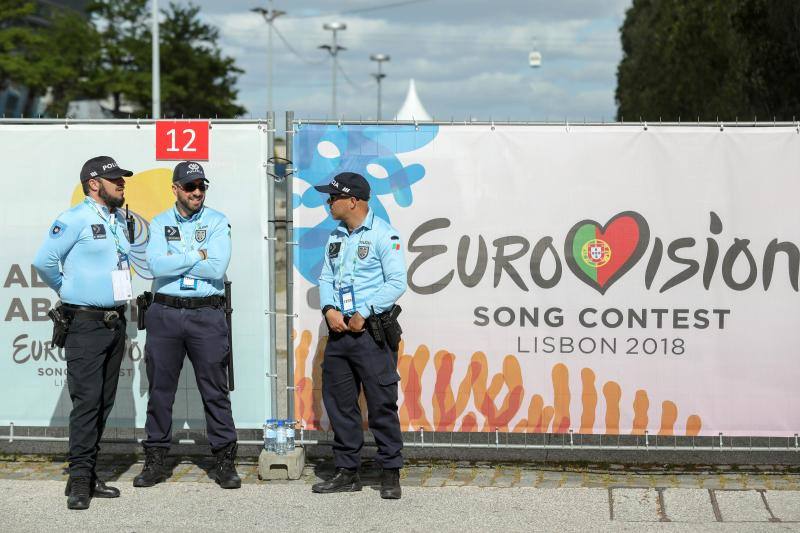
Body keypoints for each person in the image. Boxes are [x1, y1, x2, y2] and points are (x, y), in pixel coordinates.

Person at [32, 156, 134, 510]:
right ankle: (78, 481)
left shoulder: (118, 219)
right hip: (85, 324)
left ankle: (89, 473)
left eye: (121, 178)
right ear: (94, 184)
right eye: (114, 179)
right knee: (87, 402)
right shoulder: (73, 218)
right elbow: (43, 262)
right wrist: (70, 291)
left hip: (115, 322)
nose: (121, 183)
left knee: (103, 403)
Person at [133, 161, 240, 489]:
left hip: (206, 314)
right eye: (190, 186)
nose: (197, 192)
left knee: (215, 390)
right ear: (176, 188)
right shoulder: (160, 222)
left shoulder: (218, 221)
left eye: (202, 186)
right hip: (165, 314)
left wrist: (178, 259)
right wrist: (197, 255)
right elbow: (154, 266)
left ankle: (224, 460)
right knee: (161, 392)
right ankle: (155, 460)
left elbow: (216, 267)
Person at [311, 172, 407, 499]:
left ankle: (390, 472)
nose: (328, 202)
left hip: (371, 334)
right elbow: (326, 276)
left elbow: (397, 282)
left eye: (333, 197)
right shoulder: (336, 236)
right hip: (339, 333)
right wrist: (328, 309)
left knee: (381, 403)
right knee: (340, 404)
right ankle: (347, 470)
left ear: (353, 200)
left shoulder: (384, 234)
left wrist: (364, 311)